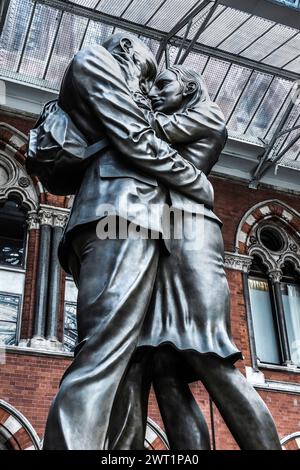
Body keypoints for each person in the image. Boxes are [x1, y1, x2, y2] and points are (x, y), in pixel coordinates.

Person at [42, 35, 215, 450]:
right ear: (127, 49)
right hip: (120, 217)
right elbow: (135, 137)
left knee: (123, 362)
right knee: (104, 353)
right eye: (147, 74)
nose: (148, 87)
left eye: (158, 83)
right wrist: (199, 184)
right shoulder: (96, 62)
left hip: (124, 218)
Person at [109, 66, 282, 451]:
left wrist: (121, 101)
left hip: (190, 234)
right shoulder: (172, 116)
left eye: (163, 85)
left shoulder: (206, 114)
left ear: (188, 89)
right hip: (154, 237)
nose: (154, 93)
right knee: (161, 369)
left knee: (208, 353)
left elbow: (145, 134)